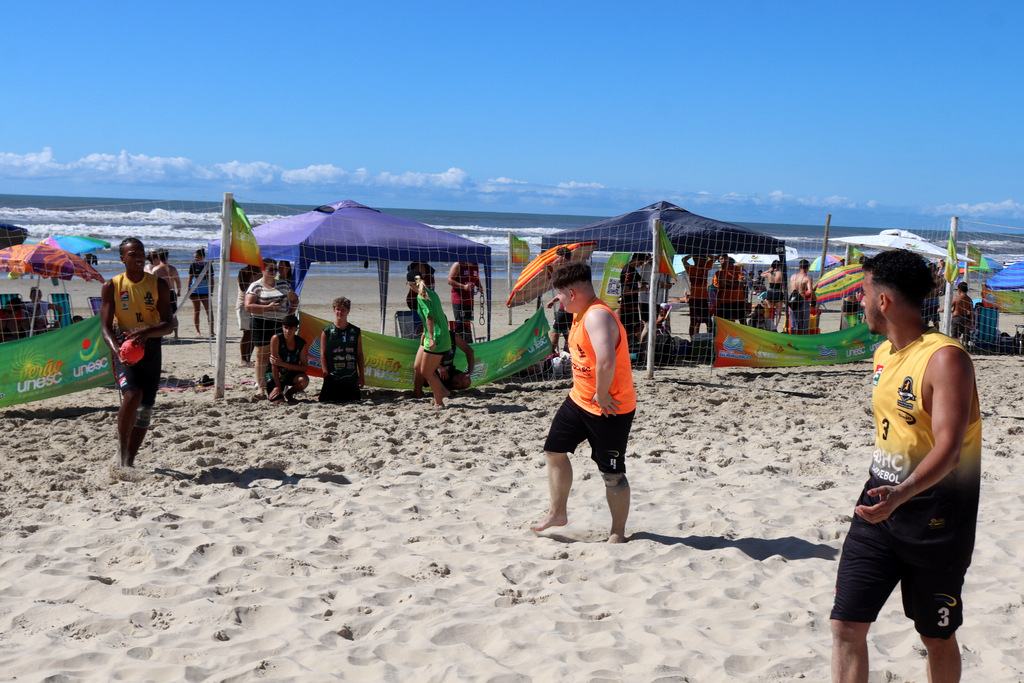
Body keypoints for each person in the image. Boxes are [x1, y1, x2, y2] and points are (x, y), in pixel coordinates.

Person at [830, 249, 981, 683]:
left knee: (936, 637)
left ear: (884, 301)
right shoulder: (883, 353)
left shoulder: (946, 358)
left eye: (864, 293)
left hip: (936, 519)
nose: (859, 301)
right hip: (877, 509)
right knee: (845, 626)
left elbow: (949, 449)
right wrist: (890, 493)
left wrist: (902, 493)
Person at [531, 261, 636, 544]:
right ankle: (557, 513)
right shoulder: (580, 309)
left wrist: (602, 393)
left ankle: (617, 532)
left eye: (561, 295)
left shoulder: (597, 316)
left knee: (612, 474)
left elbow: (606, 361)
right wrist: (560, 296)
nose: (558, 301)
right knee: (554, 451)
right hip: (579, 400)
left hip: (609, 406)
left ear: (573, 294)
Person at [99, 238, 174, 467]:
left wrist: (148, 332)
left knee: (145, 410)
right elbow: (105, 328)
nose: (139, 257)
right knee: (132, 395)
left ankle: (128, 462)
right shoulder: (112, 285)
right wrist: (118, 351)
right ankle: (121, 449)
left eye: (141, 252)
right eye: (133, 254)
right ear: (122, 258)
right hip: (125, 347)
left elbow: (169, 324)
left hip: (150, 347)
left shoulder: (159, 284)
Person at [245, 258, 299, 396]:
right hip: (261, 323)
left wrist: (290, 314)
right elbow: (248, 307)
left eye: (275, 269)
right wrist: (267, 307)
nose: (274, 271)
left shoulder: (283, 284)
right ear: (262, 269)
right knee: (262, 356)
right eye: (270, 269)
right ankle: (261, 387)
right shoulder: (255, 286)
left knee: (278, 355)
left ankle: (279, 384)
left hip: (280, 323)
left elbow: (294, 300)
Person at [408, 269, 452, 407]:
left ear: (410, 284)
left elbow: (430, 318)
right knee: (418, 366)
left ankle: (439, 402)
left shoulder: (421, 296)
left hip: (436, 336)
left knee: (427, 372)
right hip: (436, 334)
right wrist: (426, 333)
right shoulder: (432, 293)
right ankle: (441, 391)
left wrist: (431, 338)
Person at [319, 296, 365, 403]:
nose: (340, 312)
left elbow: (359, 354)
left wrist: (361, 376)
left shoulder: (355, 331)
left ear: (348, 311)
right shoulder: (327, 331)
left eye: (343, 309)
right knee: (328, 401)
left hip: (350, 376)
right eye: (338, 309)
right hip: (333, 376)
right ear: (334, 310)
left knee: (353, 400)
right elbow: (323, 354)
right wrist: (326, 374)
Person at [265, 315, 309, 404]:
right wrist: (278, 387)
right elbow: (274, 364)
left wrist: (283, 364)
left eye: (291, 329)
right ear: (282, 327)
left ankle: (289, 394)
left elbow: (304, 367)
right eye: (286, 328)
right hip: (275, 375)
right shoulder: (276, 338)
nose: (288, 331)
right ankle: (276, 389)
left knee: (304, 380)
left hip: (289, 374)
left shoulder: (301, 343)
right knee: (279, 402)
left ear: (296, 329)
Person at [545, 246, 574, 353]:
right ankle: (571, 351)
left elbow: (564, 291)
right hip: (575, 306)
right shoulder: (574, 269)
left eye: (557, 257)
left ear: (563, 257)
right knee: (570, 331)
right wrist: (553, 301)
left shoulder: (566, 271)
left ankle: (550, 353)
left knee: (555, 331)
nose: (556, 259)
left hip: (566, 307)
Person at [618, 253, 650, 345]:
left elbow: (641, 280)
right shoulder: (627, 271)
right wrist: (641, 289)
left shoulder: (633, 269)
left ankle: (637, 346)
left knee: (637, 327)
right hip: (627, 305)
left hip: (634, 304)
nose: (641, 265)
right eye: (641, 263)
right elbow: (626, 292)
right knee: (629, 330)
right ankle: (627, 347)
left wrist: (646, 285)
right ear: (635, 259)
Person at [149, 249, 181, 340]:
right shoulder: (172, 269)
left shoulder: (155, 269)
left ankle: (161, 334)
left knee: (160, 314)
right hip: (171, 292)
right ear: (167, 257)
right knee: (173, 314)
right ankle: (176, 334)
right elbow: (178, 281)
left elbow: (151, 283)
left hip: (160, 293)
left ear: (159, 257)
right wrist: (179, 291)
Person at [448, 261, 481, 343]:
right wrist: (463, 286)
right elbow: (450, 280)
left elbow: (476, 280)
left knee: (467, 322)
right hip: (458, 299)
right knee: (459, 322)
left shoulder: (475, 265)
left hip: (469, 300)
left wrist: (479, 286)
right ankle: (458, 342)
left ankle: (468, 341)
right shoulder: (458, 264)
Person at [236, 264, 262, 367]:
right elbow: (243, 287)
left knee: (254, 333)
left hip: (257, 305)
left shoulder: (261, 272)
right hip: (244, 305)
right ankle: (243, 359)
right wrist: (251, 272)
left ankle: (248, 358)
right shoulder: (243, 271)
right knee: (247, 333)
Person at [436, 328, 476, 393]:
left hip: (449, 371)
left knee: (466, 381)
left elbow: (470, 351)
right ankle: (419, 393)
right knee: (422, 373)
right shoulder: (431, 336)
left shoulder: (453, 336)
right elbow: (424, 357)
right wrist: (439, 367)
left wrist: (469, 372)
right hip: (433, 369)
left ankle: (447, 389)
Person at [682, 255, 713, 337]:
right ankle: (692, 339)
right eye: (697, 258)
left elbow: (714, 258)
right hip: (694, 299)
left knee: (708, 321)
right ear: (694, 259)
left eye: (703, 259)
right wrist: (692, 254)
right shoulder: (691, 268)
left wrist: (705, 254)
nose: (701, 261)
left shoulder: (706, 267)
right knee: (694, 321)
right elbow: (683, 260)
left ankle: (710, 338)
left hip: (703, 298)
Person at [187, 248, 214, 337]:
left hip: (205, 291)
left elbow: (212, 279)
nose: (195, 259)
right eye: (194, 257)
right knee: (196, 311)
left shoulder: (208, 265)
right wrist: (188, 291)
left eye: (196, 257)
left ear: (202, 257)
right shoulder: (193, 265)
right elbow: (190, 278)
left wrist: (211, 290)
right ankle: (198, 332)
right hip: (194, 291)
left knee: (209, 311)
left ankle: (212, 332)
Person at [712, 254, 746, 323]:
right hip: (725, 301)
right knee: (726, 322)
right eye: (721, 259)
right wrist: (734, 283)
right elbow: (720, 286)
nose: (724, 260)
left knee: (742, 321)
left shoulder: (735, 269)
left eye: (725, 258)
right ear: (719, 261)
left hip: (738, 299)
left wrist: (727, 283)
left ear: (728, 259)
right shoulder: (718, 273)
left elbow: (741, 284)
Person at [788, 258, 815, 333]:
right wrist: (814, 299)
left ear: (799, 267)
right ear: (808, 268)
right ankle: (804, 339)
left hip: (793, 302)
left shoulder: (793, 276)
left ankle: (793, 339)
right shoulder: (808, 278)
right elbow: (810, 292)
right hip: (803, 301)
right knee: (804, 327)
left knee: (794, 325)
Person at [760, 260, 786, 328]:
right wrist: (785, 296)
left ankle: (770, 325)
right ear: (779, 266)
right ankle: (775, 326)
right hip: (778, 292)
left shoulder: (769, 274)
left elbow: (761, 274)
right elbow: (783, 286)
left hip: (770, 292)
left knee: (770, 311)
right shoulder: (781, 274)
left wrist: (769, 270)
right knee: (778, 312)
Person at [949, 282, 974, 347]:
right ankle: (965, 346)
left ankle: (957, 347)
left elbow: (949, 307)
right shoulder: (969, 300)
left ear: (959, 290)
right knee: (965, 336)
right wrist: (972, 323)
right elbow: (971, 312)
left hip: (956, 318)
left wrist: (941, 309)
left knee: (955, 336)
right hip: (965, 319)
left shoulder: (956, 298)